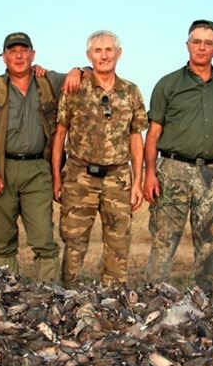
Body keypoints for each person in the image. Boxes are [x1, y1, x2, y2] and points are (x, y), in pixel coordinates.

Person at [143, 19, 213, 290]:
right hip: (173, 171)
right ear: (187, 45)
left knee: (210, 243)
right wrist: (150, 174)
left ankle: (209, 301)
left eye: (208, 43)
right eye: (196, 41)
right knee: (163, 242)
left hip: (212, 173)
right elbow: (153, 134)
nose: (202, 47)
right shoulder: (168, 84)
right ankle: (152, 299)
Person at [0, 32, 79, 283]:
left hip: (37, 170)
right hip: (2, 169)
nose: (19, 56)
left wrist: (77, 70)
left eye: (24, 51)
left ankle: (49, 294)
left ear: (33, 55)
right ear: (3, 57)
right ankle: (6, 293)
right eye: (13, 52)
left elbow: (88, 73)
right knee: (2, 241)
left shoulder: (48, 81)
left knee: (43, 238)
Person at [52, 30, 148, 285]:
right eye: (98, 50)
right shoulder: (74, 88)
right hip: (79, 176)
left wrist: (137, 182)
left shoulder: (131, 91)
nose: (104, 56)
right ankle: (69, 294)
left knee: (118, 244)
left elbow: (136, 137)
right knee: (74, 242)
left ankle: (113, 298)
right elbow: (60, 134)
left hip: (118, 178)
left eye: (109, 50)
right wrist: (57, 178)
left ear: (119, 53)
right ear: (89, 56)